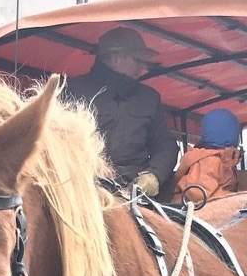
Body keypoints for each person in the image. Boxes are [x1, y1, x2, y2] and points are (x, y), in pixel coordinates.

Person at [67, 27, 178, 197]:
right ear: (113, 59)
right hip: (81, 190)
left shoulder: (149, 98)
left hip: (134, 193)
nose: (142, 67)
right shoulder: (72, 90)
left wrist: (154, 175)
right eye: (136, 60)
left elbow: (165, 145)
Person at [172, 108, 241, 204]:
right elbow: (198, 194)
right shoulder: (209, 161)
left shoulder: (221, 159)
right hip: (194, 213)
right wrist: (233, 199)